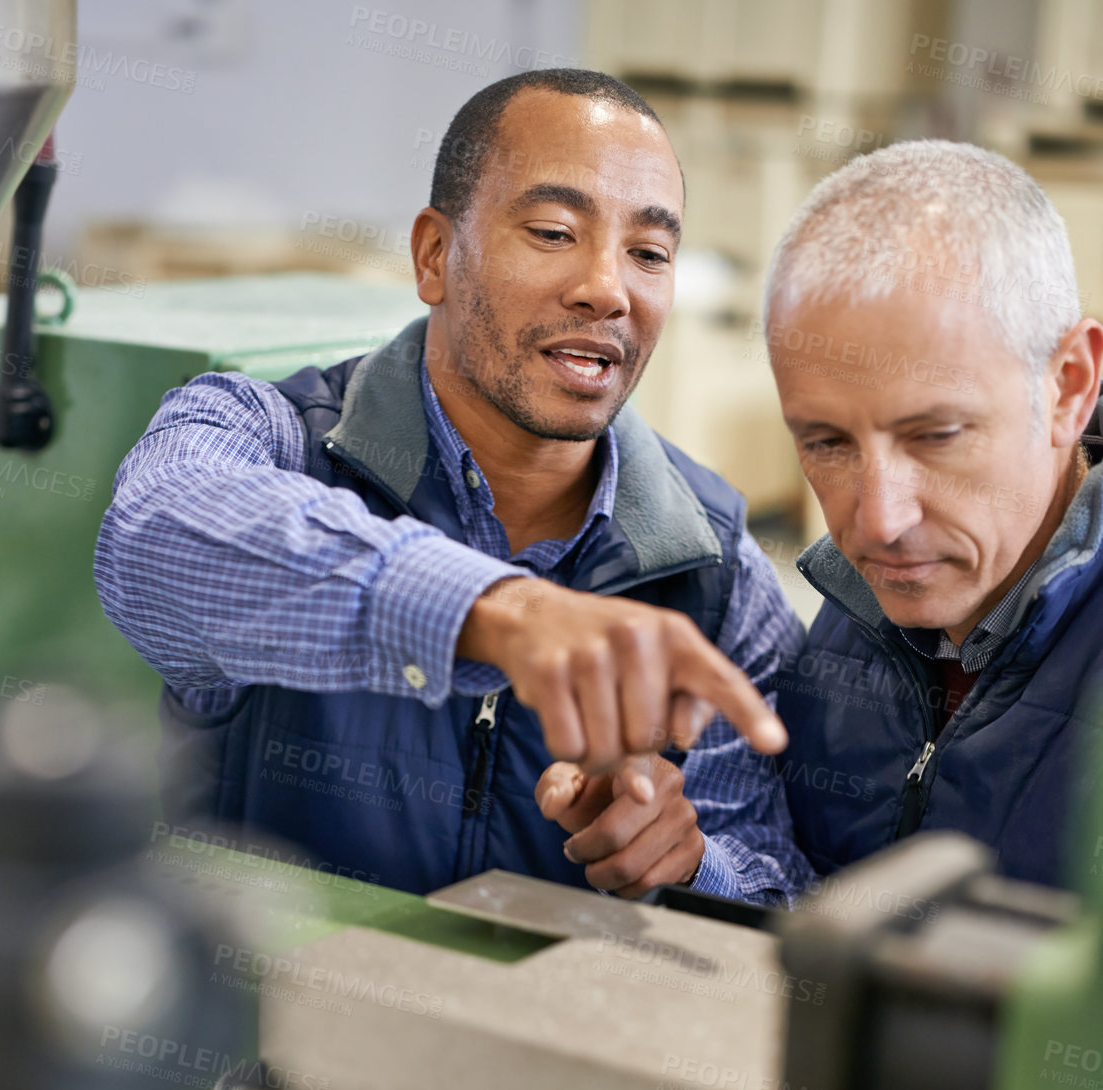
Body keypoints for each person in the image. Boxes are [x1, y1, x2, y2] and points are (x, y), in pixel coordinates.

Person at [95, 69, 812, 903]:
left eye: (648, 253)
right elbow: (152, 536)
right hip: (263, 1020)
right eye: (552, 231)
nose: (607, 289)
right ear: (434, 255)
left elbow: (777, 897)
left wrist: (683, 864)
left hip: (531, 1032)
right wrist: (498, 612)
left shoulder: (716, 573)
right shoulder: (268, 435)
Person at [766, 140, 1103, 888]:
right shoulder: (848, 617)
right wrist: (699, 863)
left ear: (1068, 386)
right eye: (825, 442)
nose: (879, 521)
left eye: (936, 436)